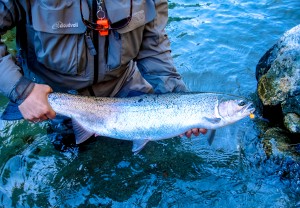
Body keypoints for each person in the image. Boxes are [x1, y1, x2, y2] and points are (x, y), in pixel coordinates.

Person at [0, 0, 206, 150]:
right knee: (76, 164)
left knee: (159, 157)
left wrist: (180, 101)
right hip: (55, 99)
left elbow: (154, 47)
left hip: (125, 89)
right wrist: (22, 91)